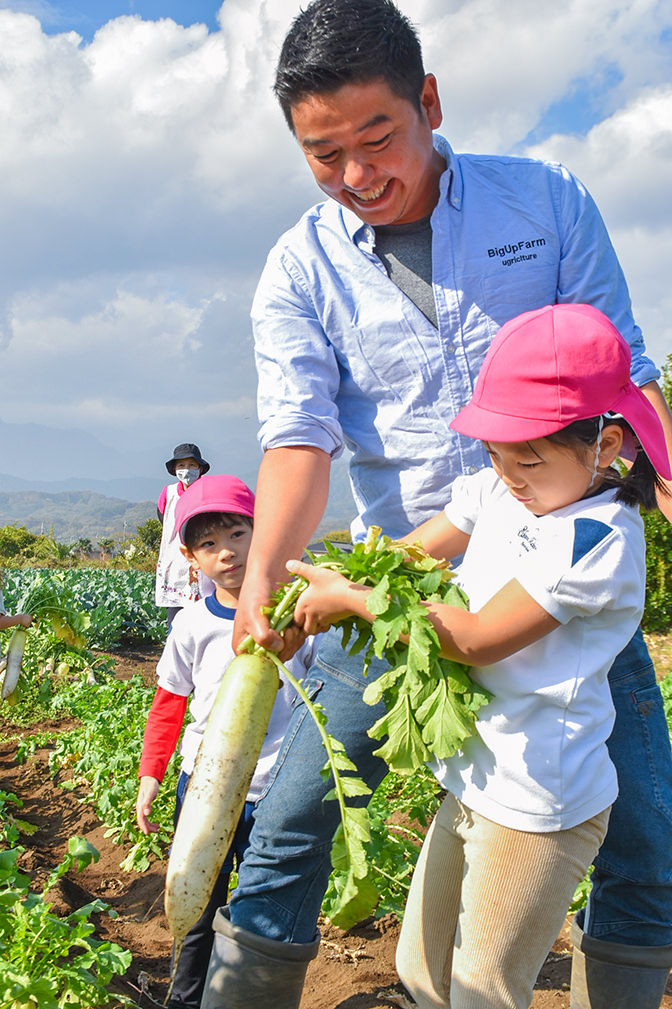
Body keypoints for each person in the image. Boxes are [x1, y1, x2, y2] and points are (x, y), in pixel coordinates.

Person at [203, 2, 672, 1007]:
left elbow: (629, 382)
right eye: (324, 156)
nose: (358, 174)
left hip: (552, 596)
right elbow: (298, 437)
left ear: (428, 101)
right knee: (291, 819)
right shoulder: (299, 269)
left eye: (377, 138)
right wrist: (277, 580)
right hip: (398, 569)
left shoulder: (544, 204)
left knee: (641, 836)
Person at [285, 303, 671, 1009]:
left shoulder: (597, 541)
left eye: (529, 457)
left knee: (482, 990)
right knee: (423, 969)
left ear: (605, 444)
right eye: (495, 452)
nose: (509, 474)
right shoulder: (501, 485)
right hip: (475, 774)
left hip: (536, 801)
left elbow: (474, 635)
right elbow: (411, 552)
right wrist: (334, 578)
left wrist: (353, 600)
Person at [136, 473, 318, 1009]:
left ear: (262, 536)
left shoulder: (300, 617)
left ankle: (241, 996)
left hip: (278, 786)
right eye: (208, 544)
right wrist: (152, 776)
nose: (227, 553)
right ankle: (185, 998)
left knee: (257, 903)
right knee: (195, 898)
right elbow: (168, 704)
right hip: (203, 783)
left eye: (238, 535)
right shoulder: (191, 624)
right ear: (191, 560)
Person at [155, 442, 212, 628]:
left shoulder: (207, 491)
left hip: (201, 561)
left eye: (191, 465)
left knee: (201, 615)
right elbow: (164, 519)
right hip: (175, 561)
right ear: (174, 469)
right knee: (175, 617)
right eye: (181, 465)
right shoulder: (168, 493)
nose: (186, 470)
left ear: (200, 468)